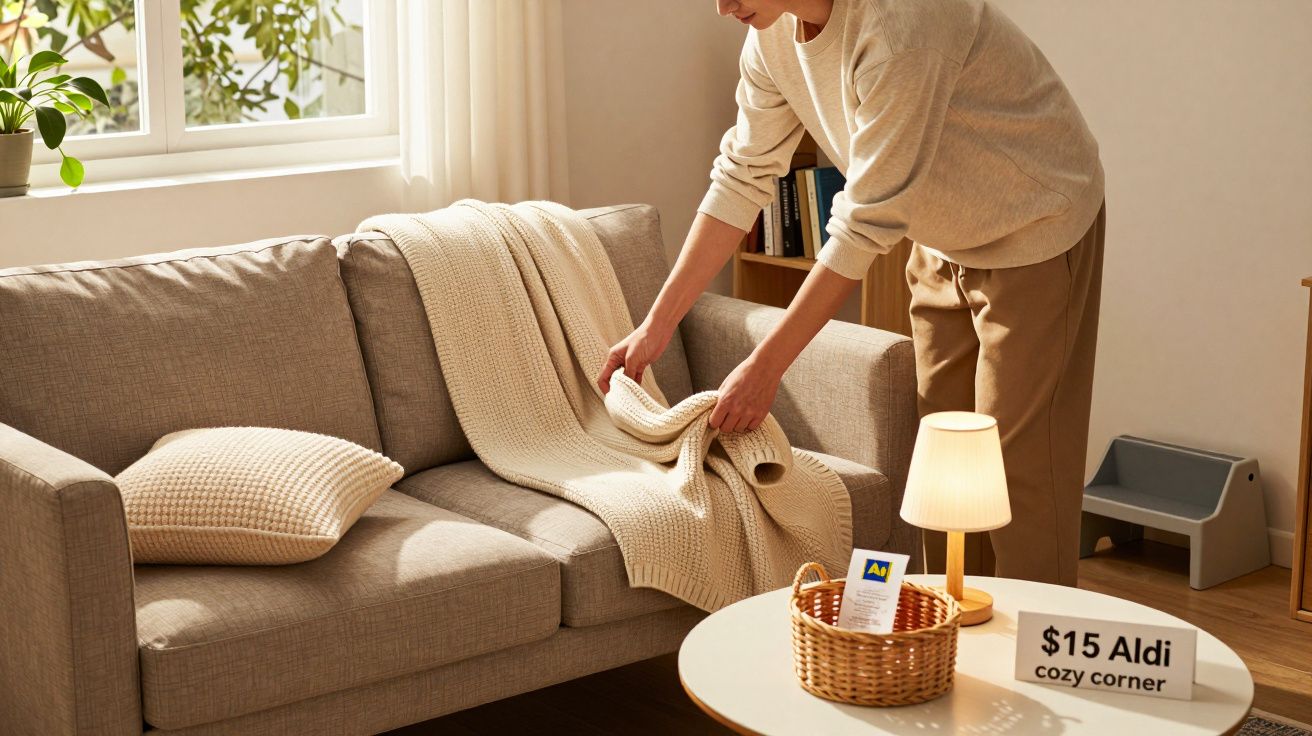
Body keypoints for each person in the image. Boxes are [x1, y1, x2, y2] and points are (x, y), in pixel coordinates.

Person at [595, 0, 1105, 587]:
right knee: (943, 464)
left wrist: (766, 368)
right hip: (941, 238)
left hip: (1035, 227)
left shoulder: (903, 25)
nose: (721, 7)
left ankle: (1035, 639)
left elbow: (863, 225)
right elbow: (742, 174)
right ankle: (952, 629)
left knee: (1020, 468)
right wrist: (655, 326)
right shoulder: (771, 36)